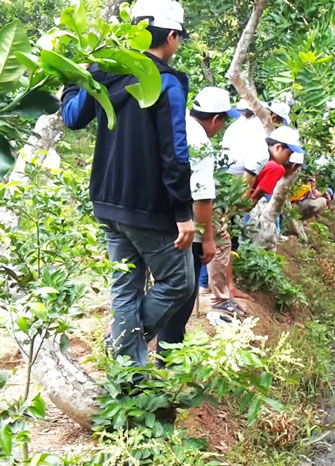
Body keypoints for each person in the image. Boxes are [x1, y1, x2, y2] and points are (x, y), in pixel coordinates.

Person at [61, 0, 195, 367]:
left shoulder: (105, 72)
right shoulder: (166, 82)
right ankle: (123, 346)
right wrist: (184, 212)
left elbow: (73, 118)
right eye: (178, 38)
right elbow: (175, 152)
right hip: (149, 207)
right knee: (179, 283)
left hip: (106, 200)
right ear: (171, 37)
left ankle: (128, 374)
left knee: (125, 286)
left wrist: (75, 79)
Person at [157, 87, 239, 348]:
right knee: (183, 290)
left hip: (154, 219)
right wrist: (207, 239)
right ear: (216, 119)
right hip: (185, 227)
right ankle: (168, 352)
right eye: (224, 121)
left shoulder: (174, 123)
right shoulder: (201, 143)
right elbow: (202, 197)